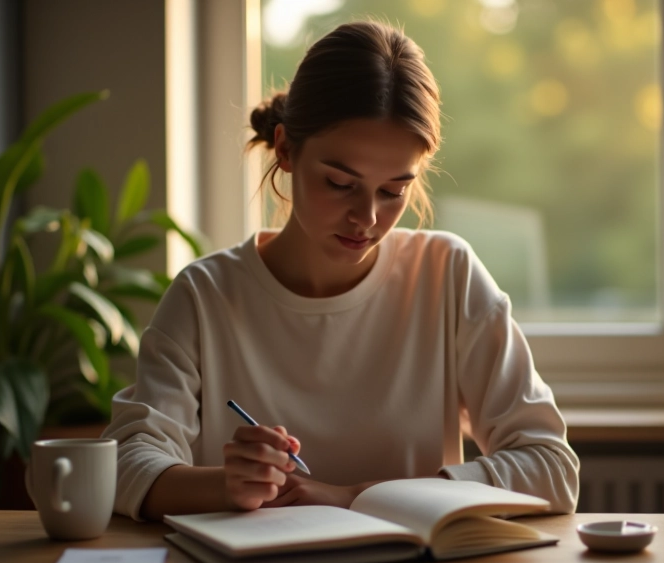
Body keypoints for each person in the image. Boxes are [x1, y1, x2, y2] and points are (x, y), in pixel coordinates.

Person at [102, 20, 579, 522]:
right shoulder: (206, 296)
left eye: (393, 191)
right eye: (339, 183)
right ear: (286, 149)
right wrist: (226, 485)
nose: (367, 218)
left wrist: (356, 496)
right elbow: (123, 464)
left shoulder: (447, 275)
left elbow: (551, 467)